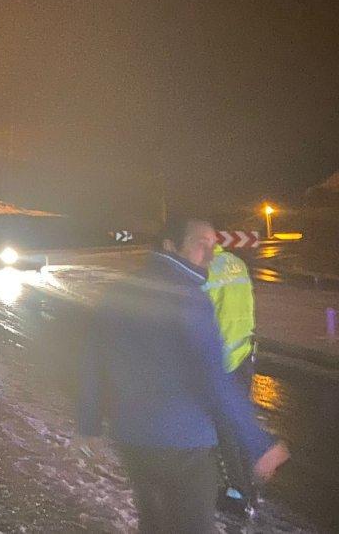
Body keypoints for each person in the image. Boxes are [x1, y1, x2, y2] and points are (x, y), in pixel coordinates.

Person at [77, 216, 289, 532]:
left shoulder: (119, 291)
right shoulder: (190, 299)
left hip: (133, 439)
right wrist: (258, 442)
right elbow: (215, 379)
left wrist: (89, 423)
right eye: (199, 244)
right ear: (171, 246)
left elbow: (91, 362)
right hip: (184, 443)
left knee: (155, 521)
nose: (210, 253)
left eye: (213, 244)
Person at [205, 242, 258, 513]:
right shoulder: (236, 262)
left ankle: (237, 491)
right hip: (243, 353)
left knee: (222, 429)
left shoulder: (204, 270)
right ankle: (249, 485)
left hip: (220, 362)